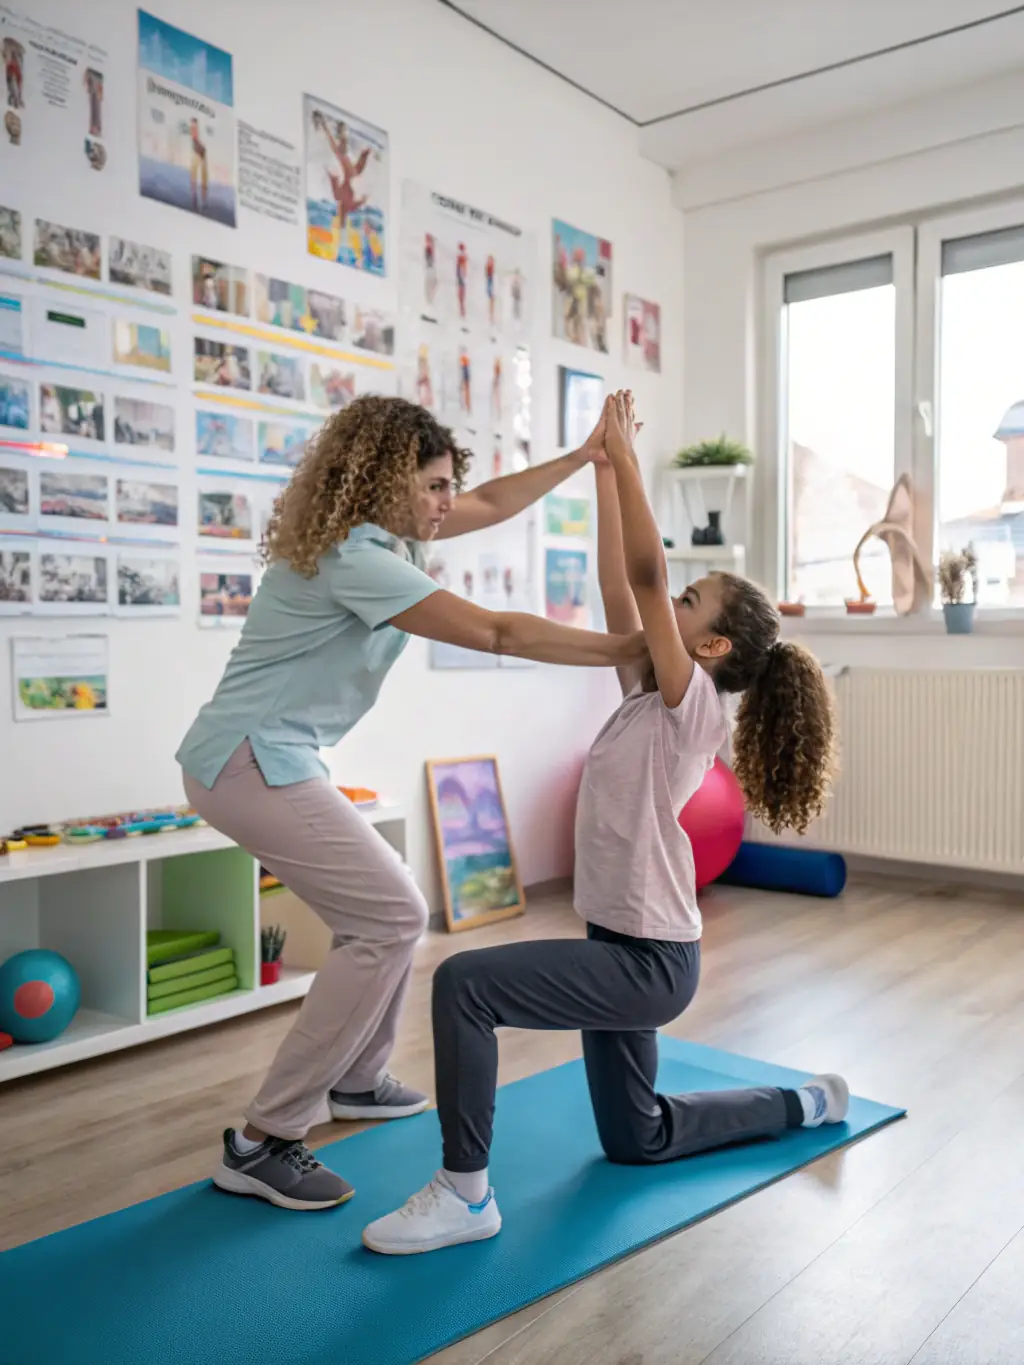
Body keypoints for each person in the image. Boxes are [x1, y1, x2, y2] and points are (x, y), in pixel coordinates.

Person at [362, 391, 841, 1255]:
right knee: (638, 1136)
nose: (670, 601)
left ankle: (465, 1193)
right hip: (620, 938)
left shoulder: (693, 707)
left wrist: (625, 460)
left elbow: (649, 575)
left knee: (464, 984)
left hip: (647, 959)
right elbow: (622, 584)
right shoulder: (646, 697)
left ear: (714, 649)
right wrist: (601, 469)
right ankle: (802, 1102)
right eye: (683, 593)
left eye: (693, 601)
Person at [177, 395, 644, 1212]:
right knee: (394, 914)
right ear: (388, 481)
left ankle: (356, 1078)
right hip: (247, 760)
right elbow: (497, 632)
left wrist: (581, 459)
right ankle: (263, 1138)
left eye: (446, 485)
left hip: (272, 756)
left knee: (391, 907)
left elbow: (493, 502)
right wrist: (636, 646)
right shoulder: (353, 558)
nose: (445, 501)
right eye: (432, 486)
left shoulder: (386, 535)